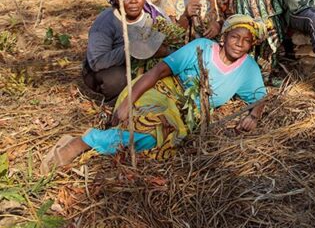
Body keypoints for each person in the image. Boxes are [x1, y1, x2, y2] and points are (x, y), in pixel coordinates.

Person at [42, 15, 269, 171]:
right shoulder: (202, 47)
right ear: (224, 36)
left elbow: (260, 96)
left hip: (187, 114)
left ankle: (94, 142)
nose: (239, 44)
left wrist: (254, 116)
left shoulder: (248, 68)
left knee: (157, 137)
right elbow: (158, 71)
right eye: (234, 37)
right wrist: (126, 103)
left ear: (251, 46)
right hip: (160, 91)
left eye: (246, 40)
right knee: (148, 128)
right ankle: (83, 143)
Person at [83, 0, 170, 103]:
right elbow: (97, 62)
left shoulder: (154, 15)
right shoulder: (106, 22)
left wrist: (163, 51)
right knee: (117, 80)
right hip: (109, 69)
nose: (134, 1)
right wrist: (132, 49)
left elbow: (173, 41)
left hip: (146, 66)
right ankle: (117, 103)